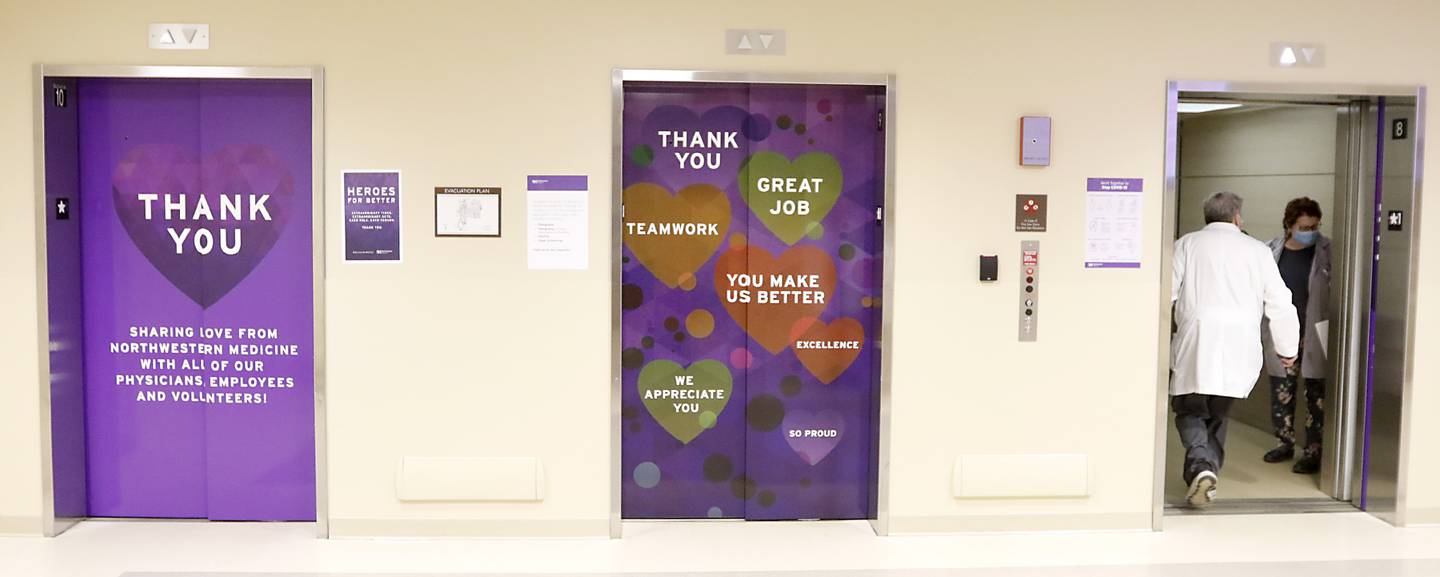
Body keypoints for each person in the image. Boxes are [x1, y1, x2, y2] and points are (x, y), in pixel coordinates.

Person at [1171, 192, 1299, 507]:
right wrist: (1288, 349)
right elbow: (1281, 303)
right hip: (1240, 346)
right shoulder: (1258, 251)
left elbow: (1167, 291)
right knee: (1217, 413)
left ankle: (1201, 466)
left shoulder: (1187, 244)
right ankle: (1206, 472)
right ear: (1237, 218)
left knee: (1189, 408)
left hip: (1197, 340)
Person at [1261, 198, 1331, 474]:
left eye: (1314, 226)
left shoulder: (1328, 251)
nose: (1310, 231)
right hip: (1282, 331)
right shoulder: (1271, 250)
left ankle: (1313, 451)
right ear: (1289, 226)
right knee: (1282, 390)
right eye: (1303, 226)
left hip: (1314, 330)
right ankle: (1284, 442)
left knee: (1316, 394)